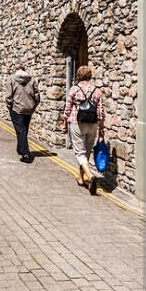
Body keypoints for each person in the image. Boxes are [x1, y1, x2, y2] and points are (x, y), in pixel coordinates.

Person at [61, 65, 105, 195]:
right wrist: (101, 128)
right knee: (86, 151)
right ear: (90, 76)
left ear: (78, 76)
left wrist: (64, 122)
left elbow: (68, 108)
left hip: (77, 123)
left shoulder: (74, 89)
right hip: (93, 124)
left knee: (80, 152)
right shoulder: (97, 91)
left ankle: (90, 176)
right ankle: (80, 177)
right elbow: (101, 112)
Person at [5, 63, 40, 163]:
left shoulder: (11, 79)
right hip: (29, 109)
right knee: (24, 130)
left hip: (17, 109)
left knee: (21, 131)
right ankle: (20, 148)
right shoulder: (32, 79)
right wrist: (33, 106)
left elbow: (8, 96)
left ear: (16, 69)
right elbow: (37, 95)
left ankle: (26, 155)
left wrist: (10, 108)